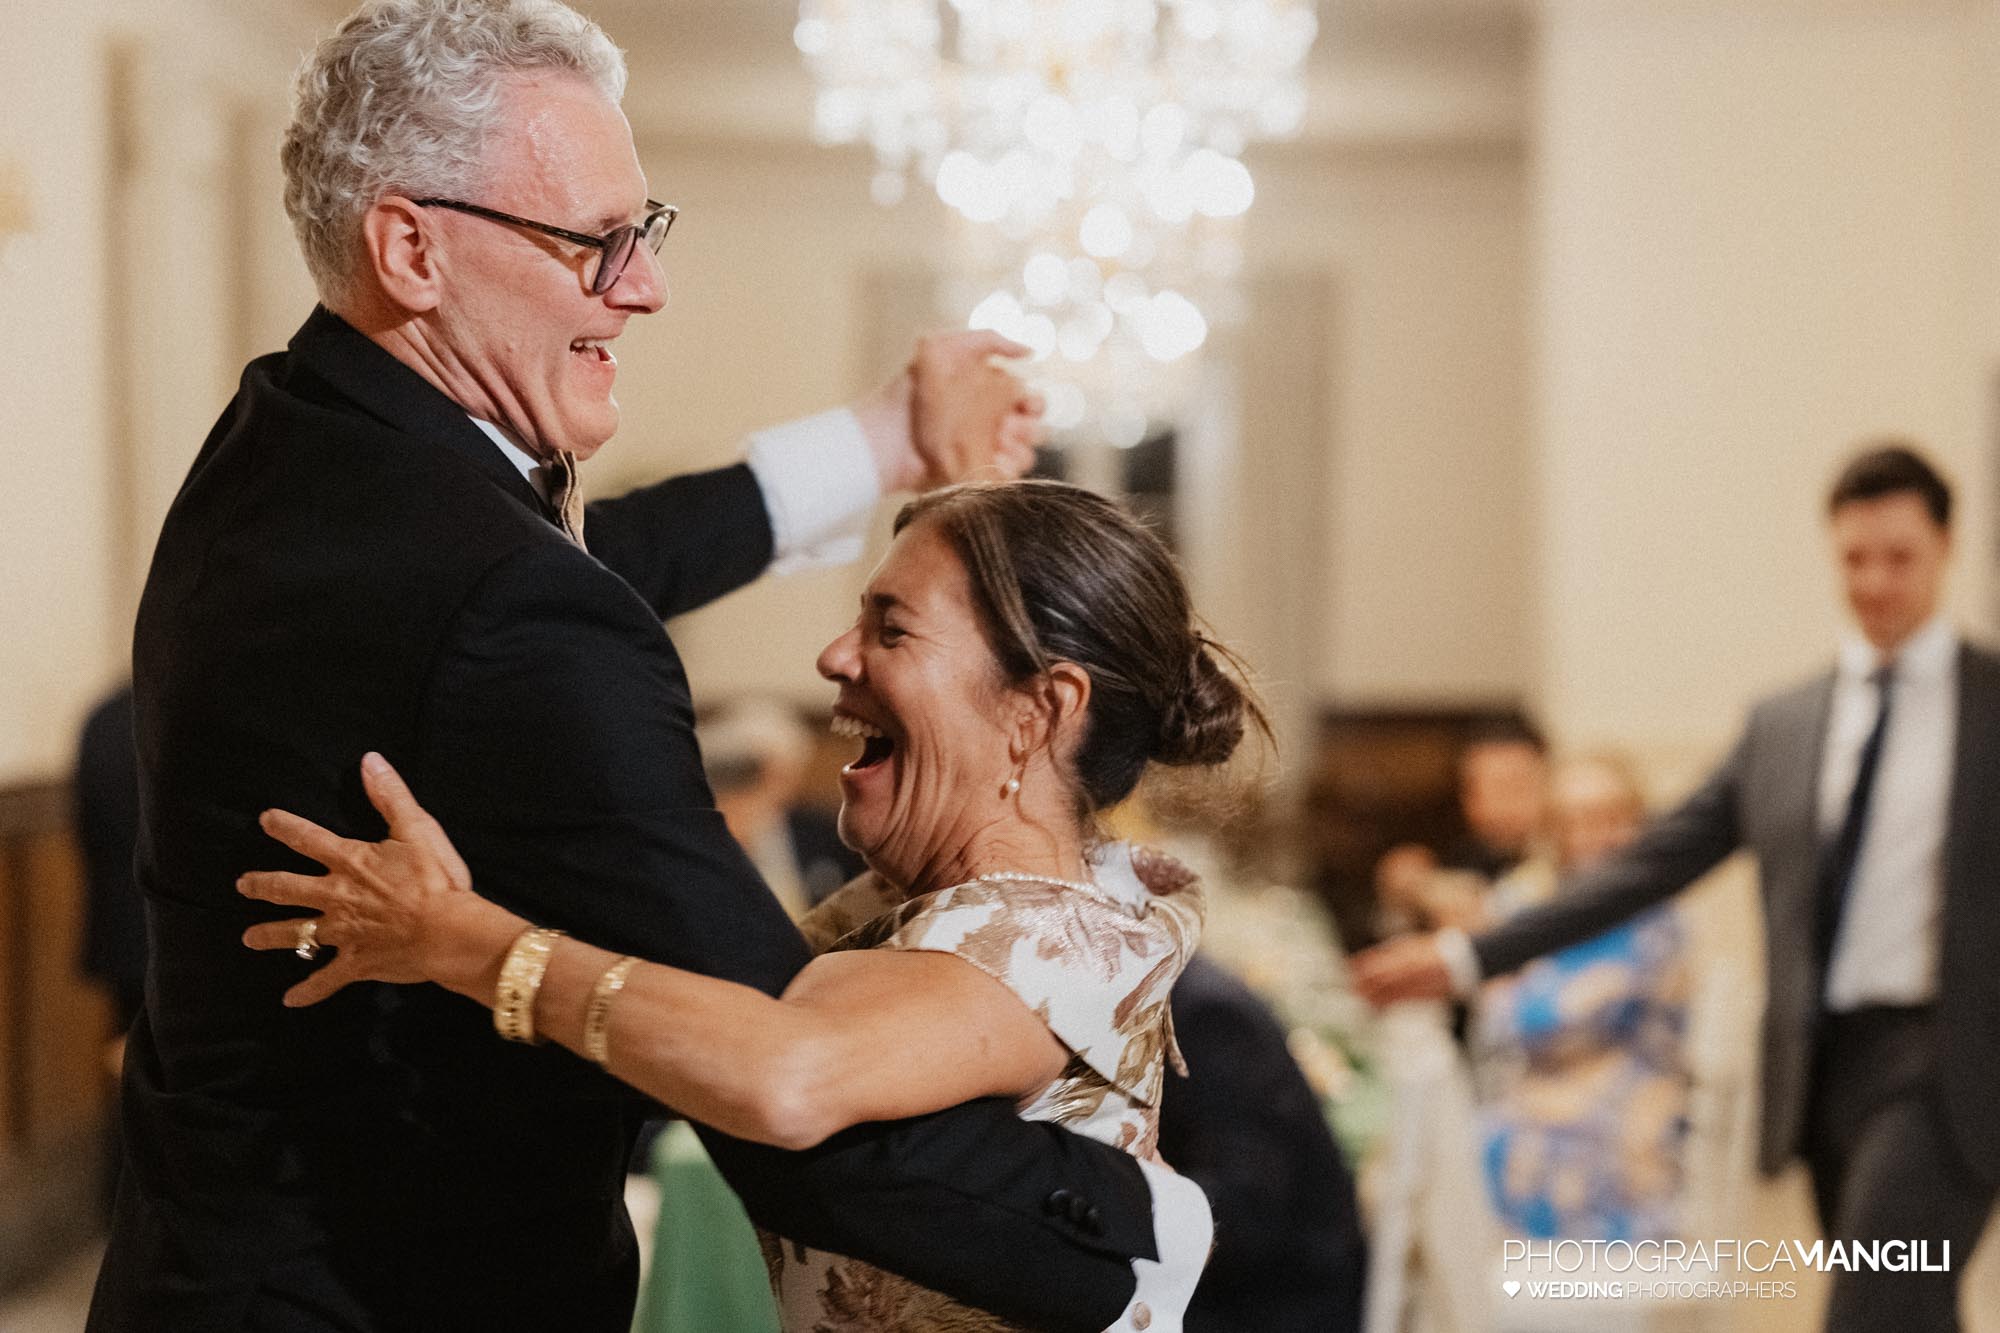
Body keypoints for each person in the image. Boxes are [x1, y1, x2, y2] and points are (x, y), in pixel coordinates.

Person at [88, 2, 1208, 1328]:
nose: (644, 285)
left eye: (644, 230)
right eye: (593, 242)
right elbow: (785, 1085)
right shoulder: (500, 605)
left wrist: (878, 444)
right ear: (412, 247)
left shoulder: (293, 453)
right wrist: (1155, 1230)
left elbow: (557, 573)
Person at [237, 480, 1258, 1331]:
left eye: (890, 628)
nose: (835, 656)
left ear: (1038, 709)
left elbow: (786, 1073)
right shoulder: (914, 904)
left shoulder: (1054, 935)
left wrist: (471, 943)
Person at [1355, 443, 2000, 1332]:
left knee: (1873, 1303)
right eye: (1856, 558)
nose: (1876, 582)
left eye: (1900, 557)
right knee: (1909, 1302)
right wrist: (1471, 953)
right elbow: (1645, 866)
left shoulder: (1990, 705)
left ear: (1946, 548)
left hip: (1949, 1066)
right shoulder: (1787, 724)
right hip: (1824, 1066)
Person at [1472, 754, 1691, 1243]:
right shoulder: (1524, 902)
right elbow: (1500, 1019)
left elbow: (1584, 1014)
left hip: (1630, 1097)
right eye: (1579, 820)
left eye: (1613, 818)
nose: (1597, 836)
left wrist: (1539, 1003)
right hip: (1529, 1097)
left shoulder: (1656, 917)